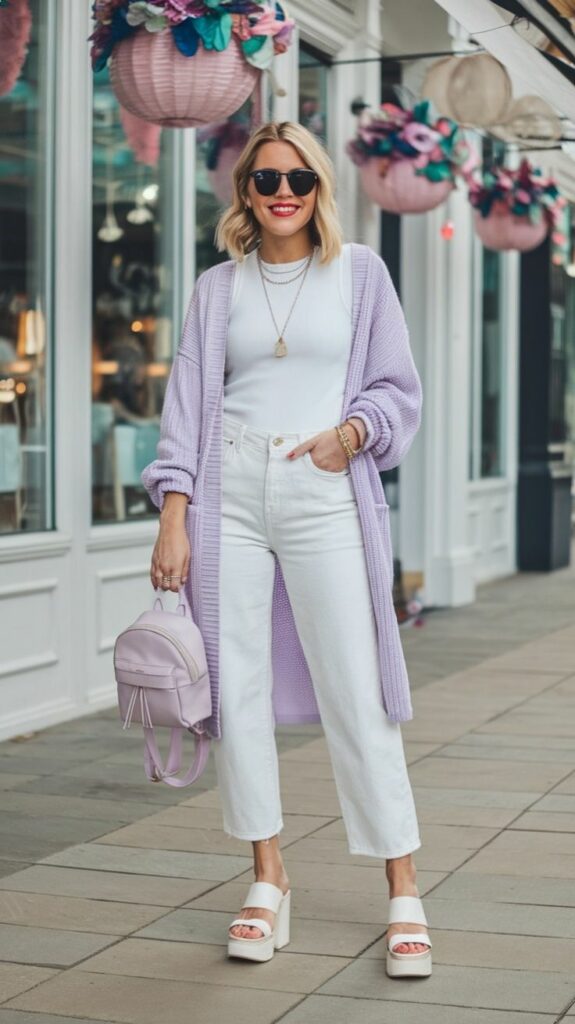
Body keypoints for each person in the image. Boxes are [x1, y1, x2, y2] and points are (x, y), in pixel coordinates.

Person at [141, 121, 431, 978]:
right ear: (245, 190)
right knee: (236, 689)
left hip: (320, 486)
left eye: (298, 179)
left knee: (356, 688)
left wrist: (352, 432)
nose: (281, 193)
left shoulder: (360, 273)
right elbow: (186, 405)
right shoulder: (216, 288)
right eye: (265, 178)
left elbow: (397, 390)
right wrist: (173, 513)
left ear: (318, 189)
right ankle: (267, 878)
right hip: (227, 493)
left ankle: (403, 887)